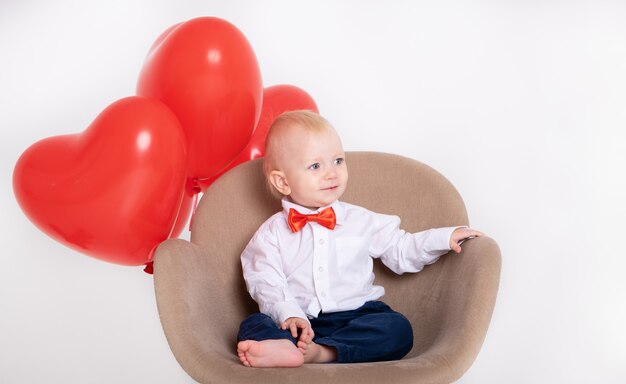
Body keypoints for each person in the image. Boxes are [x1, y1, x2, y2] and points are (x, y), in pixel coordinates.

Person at [236, 110, 483, 368]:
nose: (331, 173)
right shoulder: (271, 234)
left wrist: (444, 238)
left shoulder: (362, 220)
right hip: (299, 321)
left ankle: (323, 353)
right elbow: (265, 279)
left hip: (357, 317)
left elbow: (401, 248)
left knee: (397, 328)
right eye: (315, 166)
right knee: (253, 324)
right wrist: (288, 314)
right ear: (283, 182)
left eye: (338, 161)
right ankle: (286, 348)